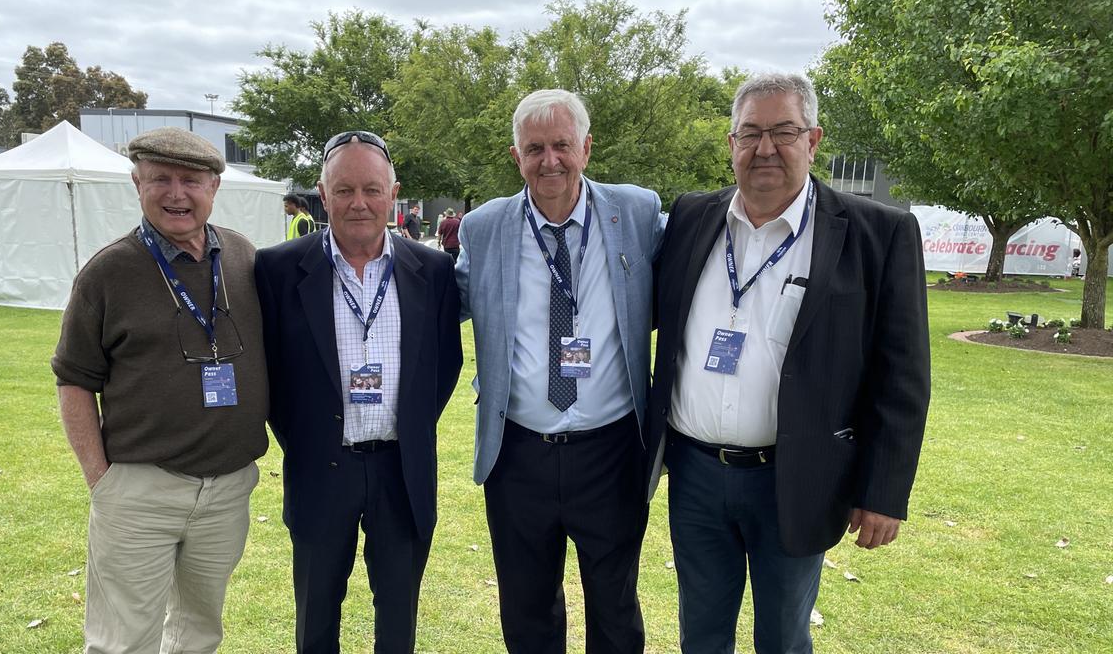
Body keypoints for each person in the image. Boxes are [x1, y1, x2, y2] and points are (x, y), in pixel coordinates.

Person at [644, 73, 931, 653]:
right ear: (730, 144)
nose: (765, 148)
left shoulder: (878, 233)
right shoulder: (692, 218)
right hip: (695, 476)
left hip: (796, 477)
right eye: (749, 134)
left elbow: (902, 374)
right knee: (700, 634)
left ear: (813, 139)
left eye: (783, 131)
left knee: (782, 637)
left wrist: (883, 490)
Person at [456, 89, 664, 653]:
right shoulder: (483, 227)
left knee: (615, 608)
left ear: (587, 149)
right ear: (515, 156)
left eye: (562, 146)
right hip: (517, 452)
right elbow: (438, 303)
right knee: (526, 612)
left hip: (611, 451)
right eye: (535, 148)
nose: (550, 160)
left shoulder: (638, 213)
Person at [52, 127, 271, 654]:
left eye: (191, 180)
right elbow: (74, 379)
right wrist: (101, 480)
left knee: (198, 631)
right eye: (160, 180)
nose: (177, 194)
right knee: (122, 641)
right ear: (137, 184)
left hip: (228, 488)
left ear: (214, 187)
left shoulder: (243, 258)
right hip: (139, 490)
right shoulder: (109, 272)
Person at [255, 130, 462, 653]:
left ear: (394, 194)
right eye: (343, 190)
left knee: (398, 617)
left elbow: (444, 366)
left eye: (372, 189)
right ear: (322, 196)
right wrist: (309, 437)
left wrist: (409, 426)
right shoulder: (278, 269)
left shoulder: (433, 270)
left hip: (402, 469)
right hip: (321, 469)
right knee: (316, 615)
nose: (358, 203)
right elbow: (272, 374)